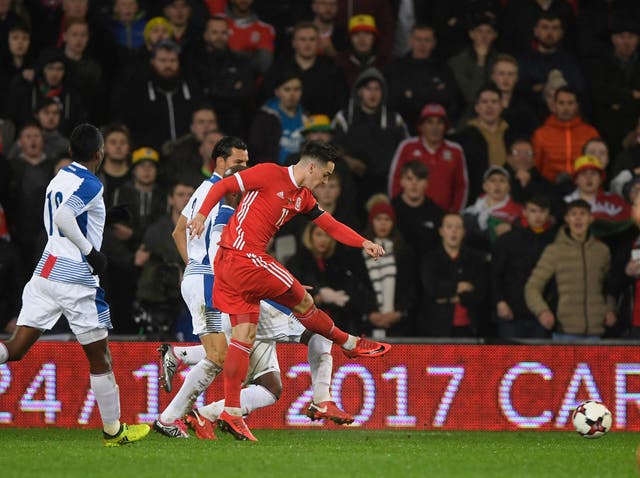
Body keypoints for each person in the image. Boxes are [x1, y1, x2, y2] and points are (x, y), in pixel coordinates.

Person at [187, 140, 390, 441]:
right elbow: (222, 187)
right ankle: (348, 343)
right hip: (244, 257)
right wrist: (202, 214)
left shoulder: (303, 198)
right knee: (305, 300)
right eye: (325, 175)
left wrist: (364, 242)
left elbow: (332, 226)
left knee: (244, 340)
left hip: (234, 267)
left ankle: (231, 410)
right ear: (311, 167)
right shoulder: (269, 173)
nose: (326, 182)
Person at [0, 123, 150, 446]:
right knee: (101, 358)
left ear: (70, 152)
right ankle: (114, 431)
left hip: (45, 272)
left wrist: (105, 214)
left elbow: (63, 214)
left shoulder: (59, 178)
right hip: (75, 279)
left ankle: (114, 430)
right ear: (100, 153)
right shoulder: (92, 182)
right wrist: (91, 252)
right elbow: (66, 218)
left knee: (14, 349)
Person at [153, 136, 249, 437]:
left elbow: (178, 231)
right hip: (209, 281)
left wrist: (192, 264)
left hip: (201, 276)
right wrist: (200, 267)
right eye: (238, 163)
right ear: (219, 162)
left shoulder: (203, 190)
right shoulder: (221, 197)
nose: (244, 169)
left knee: (231, 345)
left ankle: (177, 359)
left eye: (246, 164)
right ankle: (169, 418)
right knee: (220, 355)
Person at [525, 199, 617, 340]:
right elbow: (532, 288)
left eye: (583, 214)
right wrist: (542, 311)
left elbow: (608, 287)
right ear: (567, 219)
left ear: (591, 218)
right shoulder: (554, 250)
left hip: (596, 333)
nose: (578, 218)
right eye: (573, 214)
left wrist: (610, 309)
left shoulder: (602, 251)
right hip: (564, 333)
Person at [491, 196, 556, 339]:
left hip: (542, 313)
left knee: (539, 360)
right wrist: (500, 302)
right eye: (533, 211)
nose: (538, 216)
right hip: (510, 312)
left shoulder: (554, 241)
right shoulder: (507, 239)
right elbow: (494, 274)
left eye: (542, 211)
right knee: (509, 359)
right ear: (524, 212)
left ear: (548, 213)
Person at [388, 103, 468, 213]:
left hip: (444, 218)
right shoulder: (407, 147)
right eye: (430, 122)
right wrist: (396, 209)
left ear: (445, 126)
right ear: (421, 126)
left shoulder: (455, 151)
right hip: (408, 213)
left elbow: (461, 186)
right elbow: (395, 180)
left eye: (439, 122)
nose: (435, 128)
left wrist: (455, 214)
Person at [418, 213, 488, 337]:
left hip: (470, 328)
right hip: (437, 328)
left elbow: (480, 293)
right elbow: (432, 289)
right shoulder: (430, 259)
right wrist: (459, 287)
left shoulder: (476, 259)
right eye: (449, 227)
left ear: (464, 232)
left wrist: (448, 297)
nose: (454, 231)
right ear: (441, 231)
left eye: (458, 227)